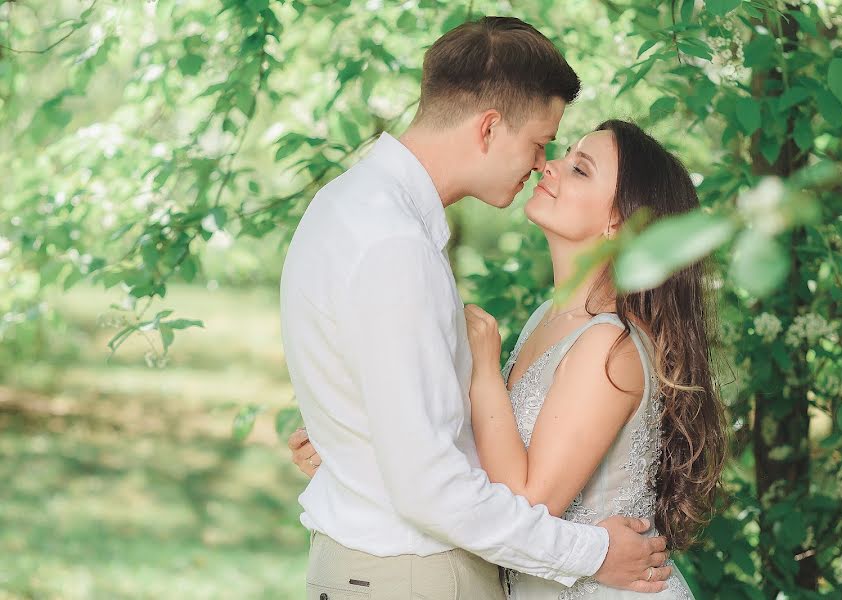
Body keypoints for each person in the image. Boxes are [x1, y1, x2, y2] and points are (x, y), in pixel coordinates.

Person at [280, 16, 670, 600]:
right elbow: (429, 486)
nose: (543, 164)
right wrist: (593, 552)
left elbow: (424, 436)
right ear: (489, 128)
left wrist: (354, 446)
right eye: (540, 144)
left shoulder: (347, 204)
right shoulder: (396, 245)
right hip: (411, 575)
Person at [463, 120, 728, 598]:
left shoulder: (610, 345)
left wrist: (484, 371)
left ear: (619, 223)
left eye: (580, 169)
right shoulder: (548, 316)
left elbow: (529, 508)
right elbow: (493, 456)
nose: (549, 165)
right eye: (564, 153)